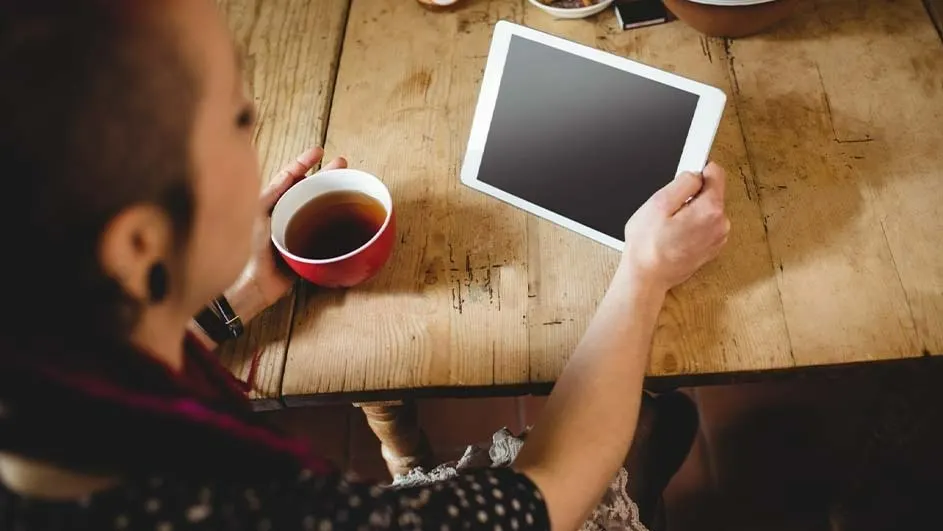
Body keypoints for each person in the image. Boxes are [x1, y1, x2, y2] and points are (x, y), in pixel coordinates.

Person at [0, 1, 729, 530]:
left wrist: (232, 297)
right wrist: (642, 273)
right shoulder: (255, 510)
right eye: (237, 117)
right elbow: (547, 493)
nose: (255, 122)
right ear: (136, 245)